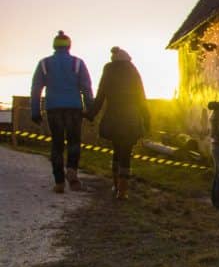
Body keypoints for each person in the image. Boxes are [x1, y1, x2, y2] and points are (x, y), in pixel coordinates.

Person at [30, 30, 94, 193]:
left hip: (53, 109)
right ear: (69, 46)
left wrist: (35, 111)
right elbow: (86, 88)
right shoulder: (78, 63)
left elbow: (36, 89)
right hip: (74, 108)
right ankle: (72, 172)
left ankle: (59, 182)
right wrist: (90, 109)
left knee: (57, 144)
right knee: (74, 142)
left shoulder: (44, 63)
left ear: (54, 46)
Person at [88, 47, 149, 200]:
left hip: (113, 117)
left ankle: (116, 186)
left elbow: (101, 94)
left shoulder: (109, 69)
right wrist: (147, 119)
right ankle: (123, 191)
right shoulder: (133, 70)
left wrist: (91, 114)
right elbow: (141, 96)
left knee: (116, 149)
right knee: (126, 153)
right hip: (131, 118)